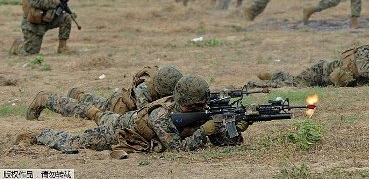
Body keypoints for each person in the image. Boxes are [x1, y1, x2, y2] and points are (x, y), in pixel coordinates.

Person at [21, 76, 229, 154]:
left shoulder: (187, 110)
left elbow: (219, 139)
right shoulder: (161, 115)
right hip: (118, 130)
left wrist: (232, 128)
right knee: (74, 142)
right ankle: (40, 135)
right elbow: (177, 150)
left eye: (201, 105)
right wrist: (203, 131)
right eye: (194, 106)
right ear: (182, 101)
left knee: (93, 110)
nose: (199, 109)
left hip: (122, 121)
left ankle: (78, 96)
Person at [247, 28, 369, 88]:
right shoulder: (365, 52)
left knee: (294, 81)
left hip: (332, 81)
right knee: (294, 84)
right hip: (322, 72)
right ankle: (259, 83)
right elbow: (365, 71)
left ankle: (276, 75)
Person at [25, 66, 184, 120]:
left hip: (117, 103)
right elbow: (147, 117)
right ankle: (45, 99)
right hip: (116, 111)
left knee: (99, 102)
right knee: (80, 110)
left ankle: (77, 94)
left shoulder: (160, 80)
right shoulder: (144, 94)